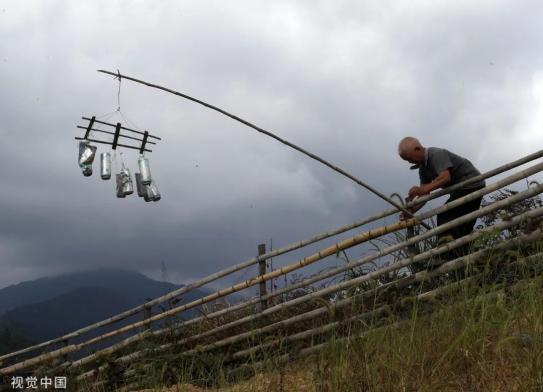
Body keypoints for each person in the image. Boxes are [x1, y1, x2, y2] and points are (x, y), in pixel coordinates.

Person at [398, 137, 485, 263]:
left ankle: (444, 255)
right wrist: (411, 210)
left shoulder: (436, 154)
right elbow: (425, 194)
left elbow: (445, 177)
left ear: (418, 149)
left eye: (410, 158)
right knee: (462, 228)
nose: (410, 162)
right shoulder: (423, 168)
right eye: (407, 160)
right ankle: (464, 259)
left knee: (445, 215)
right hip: (462, 188)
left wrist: (421, 189)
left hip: (471, 184)